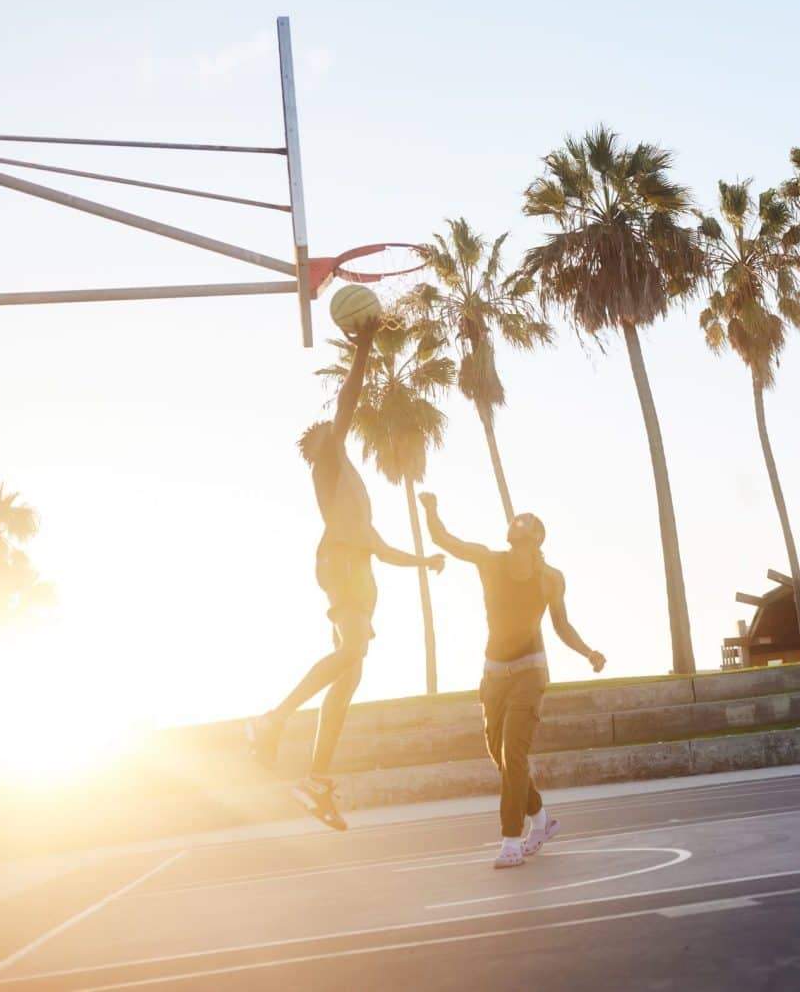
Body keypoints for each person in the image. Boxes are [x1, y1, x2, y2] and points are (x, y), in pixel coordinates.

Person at [246, 318, 445, 830]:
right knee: (352, 652)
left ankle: (315, 779)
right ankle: (273, 719)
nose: (329, 435)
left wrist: (425, 562)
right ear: (317, 449)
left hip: (358, 569)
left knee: (349, 674)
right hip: (339, 564)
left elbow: (381, 547)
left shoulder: (354, 490)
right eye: (321, 436)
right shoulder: (328, 463)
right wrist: (362, 346)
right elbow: (347, 404)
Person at [420, 492, 605, 868]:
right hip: (493, 674)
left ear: (537, 537)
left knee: (513, 754)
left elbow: (561, 624)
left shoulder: (551, 579)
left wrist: (588, 652)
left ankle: (510, 842)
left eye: (525, 521)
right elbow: (444, 539)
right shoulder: (489, 560)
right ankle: (541, 821)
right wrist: (431, 509)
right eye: (515, 520)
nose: (516, 523)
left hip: (530, 670)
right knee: (501, 757)